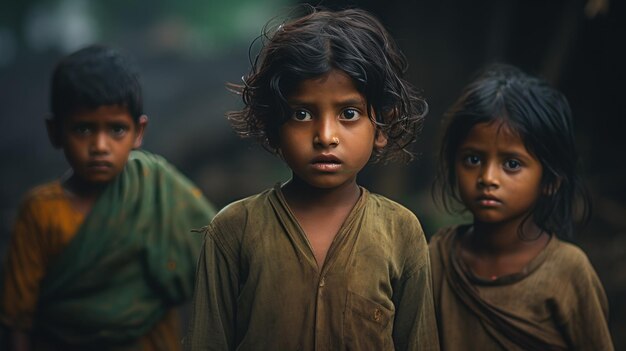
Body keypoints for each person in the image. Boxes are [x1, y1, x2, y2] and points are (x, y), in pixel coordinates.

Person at [184, 7, 439, 351]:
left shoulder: (401, 231)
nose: (325, 135)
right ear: (272, 126)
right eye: (301, 114)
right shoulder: (234, 229)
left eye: (348, 114)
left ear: (382, 127)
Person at [0, 45, 216, 351]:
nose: (100, 145)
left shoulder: (154, 185)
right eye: (83, 129)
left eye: (116, 129)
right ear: (55, 131)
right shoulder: (40, 212)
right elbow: (17, 319)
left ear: (138, 132)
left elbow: (218, 249)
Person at [430, 64, 614, 350]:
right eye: (473, 159)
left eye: (511, 164)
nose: (488, 178)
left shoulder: (567, 271)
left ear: (550, 180)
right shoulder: (436, 257)